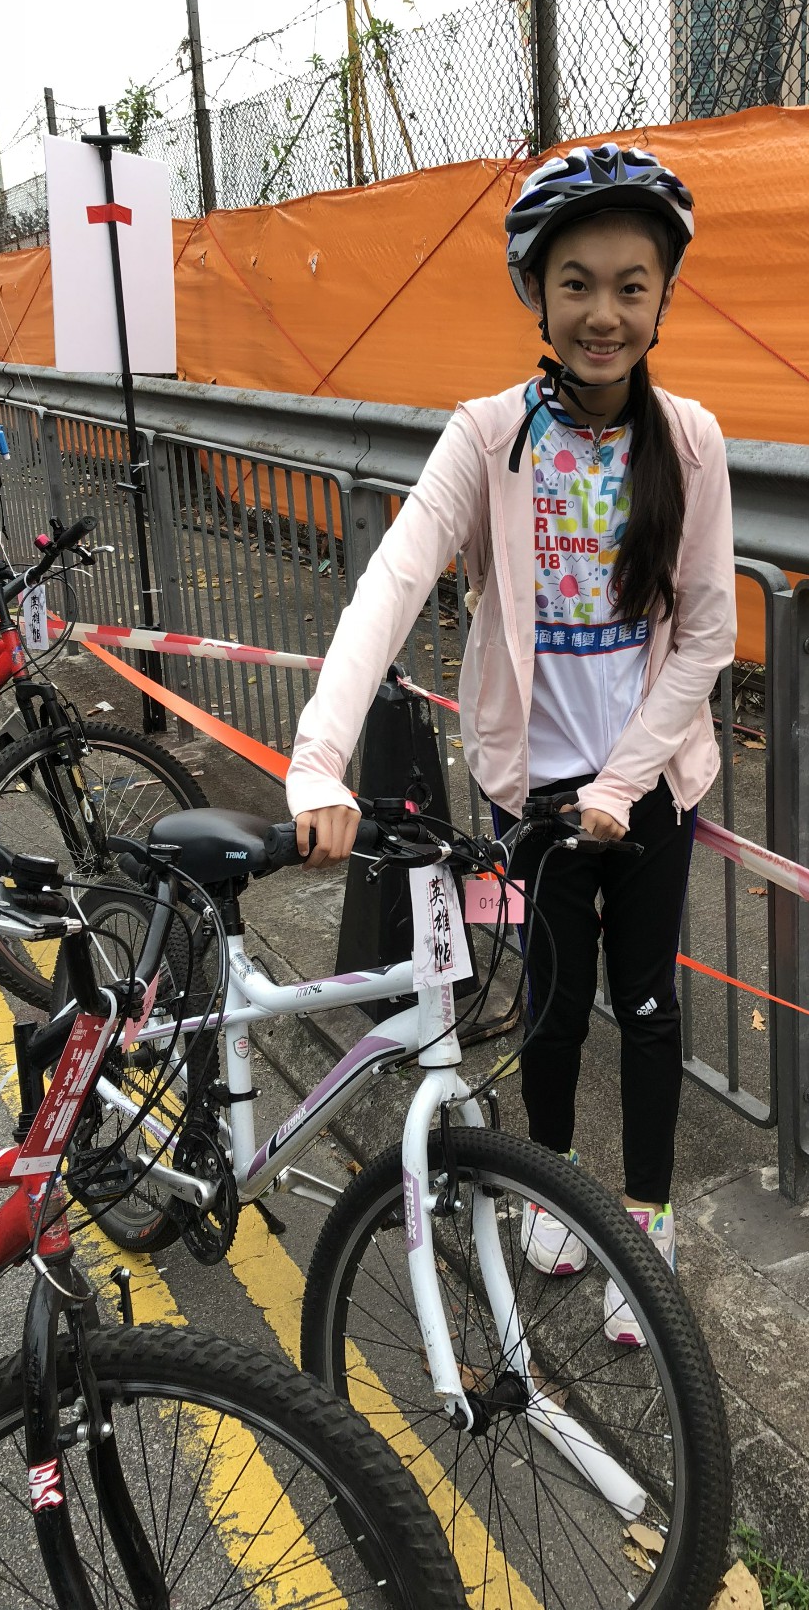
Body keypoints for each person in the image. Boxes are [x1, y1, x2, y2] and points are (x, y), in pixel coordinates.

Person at [286, 144, 737, 1343]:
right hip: (531, 789)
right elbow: (391, 582)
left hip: (650, 788)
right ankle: (557, 1185)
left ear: (664, 297)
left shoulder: (692, 440)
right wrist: (319, 757)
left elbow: (707, 634)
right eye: (576, 283)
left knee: (648, 1006)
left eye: (632, 285)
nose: (605, 314)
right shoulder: (489, 436)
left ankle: (646, 1220)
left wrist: (626, 782)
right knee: (550, 1000)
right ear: (535, 293)